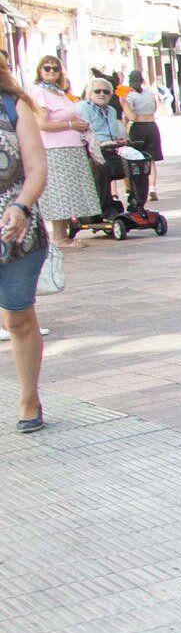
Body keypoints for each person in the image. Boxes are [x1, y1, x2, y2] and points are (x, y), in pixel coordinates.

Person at [0, 54, 49, 432]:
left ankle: (29, 397)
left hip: (14, 232)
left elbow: (36, 169)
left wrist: (21, 206)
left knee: (17, 317)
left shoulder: (13, 106)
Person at [26, 56, 96, 252]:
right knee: (60, 192)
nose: (51, 72)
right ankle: (59, 237)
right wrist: (71, 125)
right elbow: (42, 124)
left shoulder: (58, 92)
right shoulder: (39, 92)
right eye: (47, 68)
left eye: (55, 69)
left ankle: (63, 234)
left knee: (69, 192)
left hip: (70, 147)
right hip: (56, 149)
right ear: (40, 70)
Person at [79, 77, 132, 216]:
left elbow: (115, 131)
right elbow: (86, 133)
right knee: (103, 168)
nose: (102, 94)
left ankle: (136, 202)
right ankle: (105, 207)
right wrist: (100, 143)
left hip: (110, 149)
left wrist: (122, 139)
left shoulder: (112, 110)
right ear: (89, 94)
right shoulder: (83, 108)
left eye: (106, 92)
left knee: (137, 163)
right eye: (97, 91)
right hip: (92, 150)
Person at [123, 72, 163, 191]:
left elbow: (131, 117)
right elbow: (155, 108)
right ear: (142, 80)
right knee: (151, 158)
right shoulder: (150, 93)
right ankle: (152, 187)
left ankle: (138, 187)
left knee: (137, 157)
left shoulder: (130, 96)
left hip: (137, 127)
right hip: (152, 126)